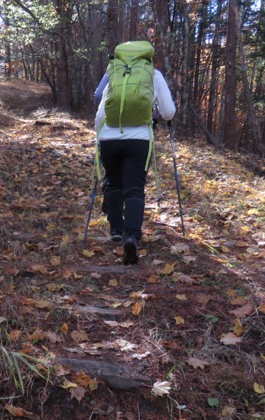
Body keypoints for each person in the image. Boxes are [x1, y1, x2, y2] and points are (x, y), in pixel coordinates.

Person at [94, 44, 176, 264]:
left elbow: (100, 104)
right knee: (134, 188)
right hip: (139, 140)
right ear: (148, 56)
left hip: (109, 137)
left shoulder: (113, 71)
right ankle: (131, 236)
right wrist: (156, 111)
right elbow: (168, 112)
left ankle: (116, 230)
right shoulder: (153, 74)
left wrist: (99, 138)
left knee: (113, 182)